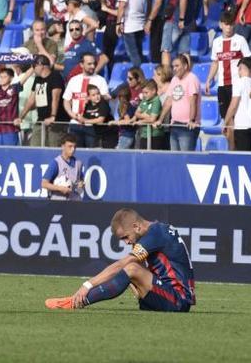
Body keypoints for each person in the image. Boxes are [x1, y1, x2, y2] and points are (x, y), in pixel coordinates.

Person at [46, 208, 195, 312]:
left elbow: (122, 264)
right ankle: (75, 301)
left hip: (178, 300)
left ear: (136, 226)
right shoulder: (157, 231)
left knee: (130, 267)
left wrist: (87, 285)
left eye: (125, 237)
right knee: (131, 269)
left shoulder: (156, 233)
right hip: (168, 294)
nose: (126, 242)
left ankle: (76, 301)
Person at [205, 11, 251, 149]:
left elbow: (249, 61)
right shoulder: (217, 42)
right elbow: (215, 63)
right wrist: (208, 79)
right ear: (221, 25)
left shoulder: (240, 40)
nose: (229, 27)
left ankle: (235, 150)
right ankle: (232, 150)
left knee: (236, 120)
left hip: (237, 86)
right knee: (227, 121)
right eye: (226, 24)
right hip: (222, 86)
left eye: (231, 24)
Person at [17, 55, 67, 147]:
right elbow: (31, 100)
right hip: (41, 119)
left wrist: (53, 116)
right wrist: (21, 117)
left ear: (41, 65)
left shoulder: (55, 76)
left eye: (33, 66)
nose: (33, 69)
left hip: (56, 121)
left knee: (53, 146)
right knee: (34, 145)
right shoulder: (38, 79)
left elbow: (55, 97)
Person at [63, 52, 109, 147]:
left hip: (92, 125)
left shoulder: (100, 80)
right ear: (81, 64)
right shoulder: (74, 80)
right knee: (75, 153)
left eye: (94, 63)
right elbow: (66, 100)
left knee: (91, 153)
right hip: (75, 124)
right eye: (89, 64)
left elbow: (105, 101)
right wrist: (71, 114)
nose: (92, 66)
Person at [156, 54, 201, 151]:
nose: (174, 69)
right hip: (175, 124)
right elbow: (169, 101)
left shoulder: (192, 79)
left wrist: (192, 120)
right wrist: (160, 119)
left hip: (187, 126)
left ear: (185, 66)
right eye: (173, 66)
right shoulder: (174, 79)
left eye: (177, 66)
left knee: (185, 158)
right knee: (175, 158)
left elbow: (193, 100)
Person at [116, 0, 147, 67]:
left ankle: (140, 77)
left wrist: (118, 23)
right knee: (139, 52)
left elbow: (122, 5)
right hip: (141, 23)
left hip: (130, 24)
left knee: (133, 54)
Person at [40, 133, 85, 200]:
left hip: (74, 202)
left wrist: (81, 184)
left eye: (74, 147)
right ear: (63, 146)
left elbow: (80, 181)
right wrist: (60, 188)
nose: (73, 149)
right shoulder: (56, 163)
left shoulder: (78, 163)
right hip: (58, 201)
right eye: (70, 146)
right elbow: (44, 184)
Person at [225, 57, 251, 151]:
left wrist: (225, 122)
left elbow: (233, 105)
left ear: (241, 68)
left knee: (243, 160)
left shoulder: (239, 83)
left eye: (239, 69)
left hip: (242, 126)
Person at [131, 80, 168, 150]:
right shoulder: (144, 100)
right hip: (144, 134)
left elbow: (152, 119)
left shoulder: (156, 101)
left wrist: (141, 121)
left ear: (153, 91)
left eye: (146, 93)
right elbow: (136, 113)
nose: (144, 95)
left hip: (155, 135)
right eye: (143, 93)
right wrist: (146, 115)